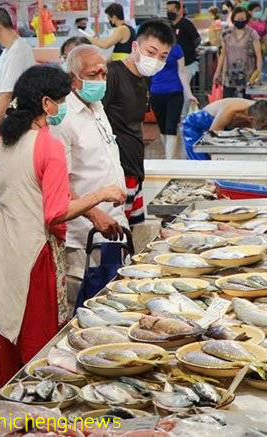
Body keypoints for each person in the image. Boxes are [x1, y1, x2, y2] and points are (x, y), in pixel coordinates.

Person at [0, 65, 125, 388]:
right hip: (33, 251)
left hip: (5, 242)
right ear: (46, 104)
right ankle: (35, 414)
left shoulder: (8, 136)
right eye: (60, 101)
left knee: (9, 332)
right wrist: (102, 194)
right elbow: (56, 213)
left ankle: (5, 411)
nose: (62, 108)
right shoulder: (48, 145)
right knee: (36, 339)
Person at [50, 45, 129, 309]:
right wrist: (95, 214)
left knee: (111, 304)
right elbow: (59, 182)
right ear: (73, 78)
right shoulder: (64, 118)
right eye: (93, 75)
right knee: (83, 307)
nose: (100, 80)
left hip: (113, 225)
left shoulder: (96, 106)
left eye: (103, 74)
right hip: (83, 234)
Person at [102, 19, 174, 227]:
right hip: (115, 173)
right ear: (135, 46)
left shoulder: (145, 78)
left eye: (163, 56)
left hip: (134, 168)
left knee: (131, 232)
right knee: (115, 235)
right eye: (151, 52)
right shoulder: (112, 74)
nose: (155, 60)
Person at [0, 7, 35, 137]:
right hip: (9, 112)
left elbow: (6, 94)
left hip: (13, 119)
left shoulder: (18, 51)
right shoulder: (7, 50)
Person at [150, 34, 199, 159]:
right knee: (162, 128)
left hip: (175, 92)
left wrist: (189, 94)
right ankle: (168, 155)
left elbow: (182, 72)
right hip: (155, 92)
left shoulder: (176, 49)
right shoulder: (151, 50)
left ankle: (168, 161)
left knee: (171, 126)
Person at [182, 98, 267, 159]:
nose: (266, 129)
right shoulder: (230, 111)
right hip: (195, 125)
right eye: (264, 127)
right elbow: (212, 141)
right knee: (203, 164)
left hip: (219, 127)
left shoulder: (261, 110)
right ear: (251, 119)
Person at [214, 7, 262, 98]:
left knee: (245, 105)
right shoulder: (226, 34)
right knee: (228, 104)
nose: (241, 21)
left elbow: (258, 55)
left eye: (243, 19)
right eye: (238, 19)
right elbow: (223, 54)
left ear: (247, 19)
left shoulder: (252, 33)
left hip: (248, 76)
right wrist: (217, 72)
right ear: (233, 19)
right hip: (229, 76)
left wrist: (258, 72)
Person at [166, 1, 201, 117]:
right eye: (168, 10)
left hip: (188, 64)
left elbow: (197, 40)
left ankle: (184, 117)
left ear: (179, 10)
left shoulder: (186, 24)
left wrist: (188, 50)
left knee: (184, 90)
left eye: (172, 10)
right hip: (172, 65)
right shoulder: (167, 26)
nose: (169, 13)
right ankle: (176, 116)